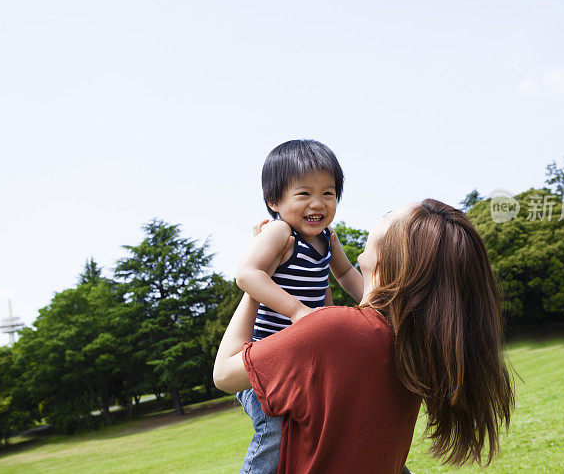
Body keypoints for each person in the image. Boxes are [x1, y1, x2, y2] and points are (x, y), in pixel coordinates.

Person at [214, 199, 515, 473]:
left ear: (389, 257)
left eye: (387, 216)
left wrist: (260, 279)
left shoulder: (336, 330)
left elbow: (225, 373)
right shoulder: (409, 342)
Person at [233, 139, 364, 473]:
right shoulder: (279, 232)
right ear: (274, 201)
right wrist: (297, 312)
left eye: (328, 193)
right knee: (274, 428)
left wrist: (377, 304)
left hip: (303, 362)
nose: (317, 203)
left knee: (337, 420)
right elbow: (248, 275)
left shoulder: (327, 239)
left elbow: (347, 274)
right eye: (304, 194)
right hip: (265, 364)